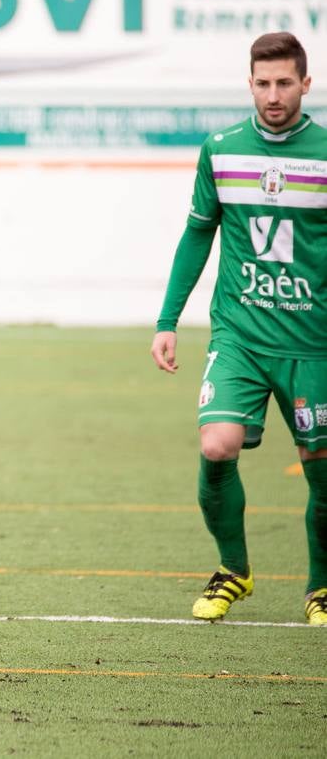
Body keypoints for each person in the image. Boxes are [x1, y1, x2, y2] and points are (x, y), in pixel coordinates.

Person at [151, 31, 327, 626]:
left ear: (306, 83)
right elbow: (199, 232)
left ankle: (321, 588)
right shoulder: (222, 149)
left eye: (284, 83)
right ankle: (234, 569)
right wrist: (168, 320)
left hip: (313, 343)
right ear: (249, 83)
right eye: (262, 82)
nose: (273, 94)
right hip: (241, 336)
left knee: (320, 469)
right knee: (216, 443)